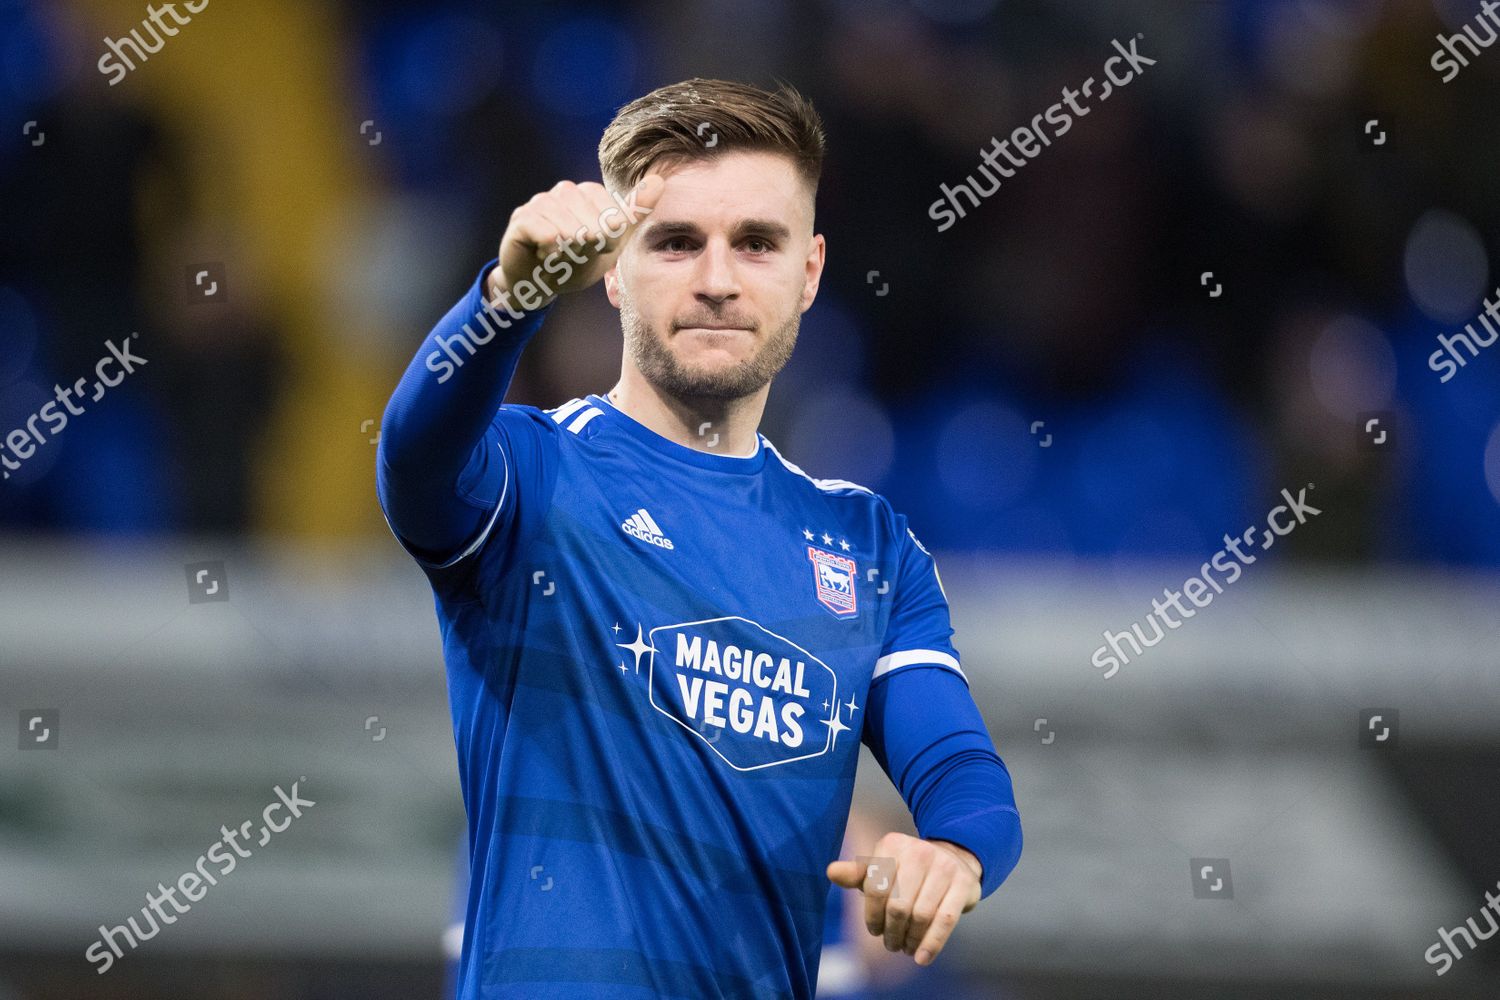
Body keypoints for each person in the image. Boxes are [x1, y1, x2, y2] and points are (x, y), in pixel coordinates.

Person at [377, 77, 1021, 1000]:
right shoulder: (529, 477)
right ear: (613, 270)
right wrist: (502, 302)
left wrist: (954, 855)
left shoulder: (869, 547)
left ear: (810, 271)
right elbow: (413, 457)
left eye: (756, 243)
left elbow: (961, 770)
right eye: (676, 242)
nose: (717, 280)